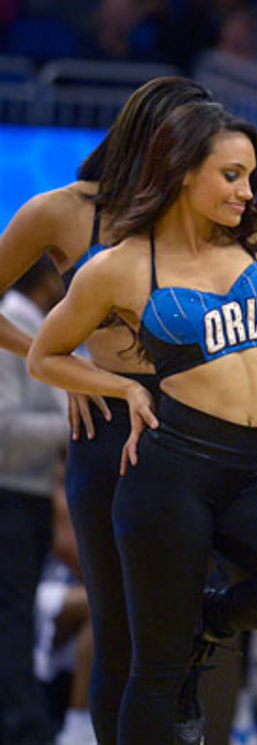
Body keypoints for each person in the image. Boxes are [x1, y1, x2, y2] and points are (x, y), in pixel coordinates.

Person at [27, 101, 257, 744]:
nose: (247, 191)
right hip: (172, 472)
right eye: (231, 175)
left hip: (254, 469)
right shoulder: (119, 265)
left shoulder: (252, 244)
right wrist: (119, 385)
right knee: (154, 667)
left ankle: (210, 619)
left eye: (251, 176)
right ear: (181, 171)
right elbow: (45, 355)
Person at [0, 76, 214, 745]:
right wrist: (55, 358)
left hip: (194, 426)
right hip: (106, 429)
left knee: (187, 618)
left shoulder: (193, 214)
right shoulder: (60, 211)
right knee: (117, 627)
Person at [0, 255, 66, 745]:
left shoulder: (34, 325)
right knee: (12, 619)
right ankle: (23, 730)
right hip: (10, 500)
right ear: (45, 279)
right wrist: (78, 418)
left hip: (29, 498)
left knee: (16, 617)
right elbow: (3, 434)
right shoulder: (12, 326)